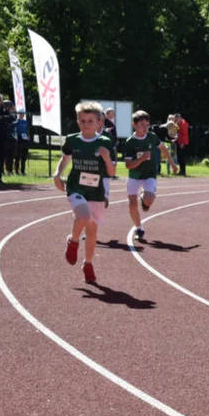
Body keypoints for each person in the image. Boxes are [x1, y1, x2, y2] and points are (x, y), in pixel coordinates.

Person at [53, 101, 115, 284]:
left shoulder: (105, 142)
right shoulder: (72, 139)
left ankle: (88, 264)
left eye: (90, 121)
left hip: (96, 191)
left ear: (99, 123)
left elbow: (111, 172)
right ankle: (73, 241)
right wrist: (57, 174)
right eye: (82, 121)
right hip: (76, 187)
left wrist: (106, 157)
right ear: (77, 121)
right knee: (83, 216)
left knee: (92, 230)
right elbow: (65, 159)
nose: (86, 124)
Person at [122, 110, 177, 242]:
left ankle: (144, 197)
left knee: (149, 200)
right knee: (132, 204)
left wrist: (173, 164)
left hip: (149, 175)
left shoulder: (152, 137)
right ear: (134, 125)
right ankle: (139, 228)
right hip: (134, 175)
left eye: (147, 125)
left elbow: (164, 149)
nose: (145, 127)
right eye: (142, 124)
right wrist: (141, 159)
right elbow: (128, 165)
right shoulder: (130, 142)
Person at [14, 111, 30, 175]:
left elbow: (27, 131)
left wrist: (28, 137)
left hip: (25, 140)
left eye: (22, 114)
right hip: (18, 139)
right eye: (20, 114)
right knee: (17, 156)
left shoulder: (26, 122)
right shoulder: (16, 121)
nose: (21, 115)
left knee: (24, 156)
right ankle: (16, 171)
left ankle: (23, 171)